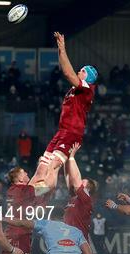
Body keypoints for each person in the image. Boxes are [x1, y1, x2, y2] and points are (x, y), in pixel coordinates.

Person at [30, 32, 98, 190]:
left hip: (72, 133)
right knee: (42, 167)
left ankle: (37, 197)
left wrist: (62, 48)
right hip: (62, 132)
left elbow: (67, 73)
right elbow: (66, 71)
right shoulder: (75, 90)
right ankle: (24, 195)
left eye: (82, 70)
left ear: (87, 76)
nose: (78, 72)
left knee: (53, 166)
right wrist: (60, 50)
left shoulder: (87, 89)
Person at [61, 143, 100, 254]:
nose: (79, 184)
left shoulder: (86, 199)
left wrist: (72, 157)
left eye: (83, 183)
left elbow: (76, 181)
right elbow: (71, 180)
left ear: (88, 189)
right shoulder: (75, 197)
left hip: (77, 244)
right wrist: (63, 162)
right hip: (66, 243)